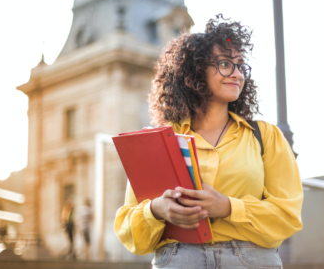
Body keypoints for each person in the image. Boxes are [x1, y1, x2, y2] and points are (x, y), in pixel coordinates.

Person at [114, 14, 303, 269]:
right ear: (195, 70)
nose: (237, 73)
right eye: (225, 63)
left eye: (240, 65)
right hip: (179, 259)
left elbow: (288, 216)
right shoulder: (158, 141)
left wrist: (227, 207)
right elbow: (129, 231)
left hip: (250, 260)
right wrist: (157, 210)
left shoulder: (266, 136)